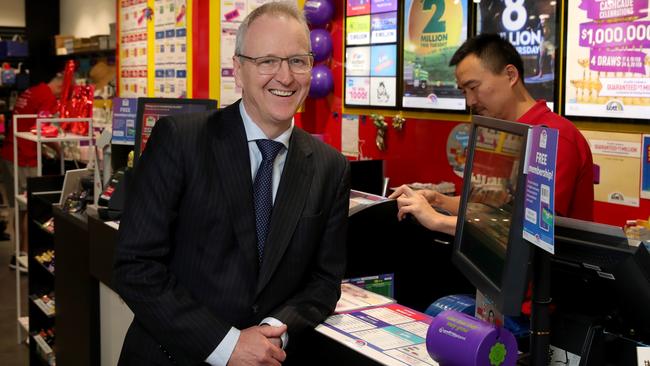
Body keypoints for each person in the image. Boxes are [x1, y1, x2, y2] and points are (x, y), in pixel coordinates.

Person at [112, 2, 350, 366]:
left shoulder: (329, 167)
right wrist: (227, 344)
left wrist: (275, 329)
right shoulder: (181, 140)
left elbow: (323, 280)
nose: (285, 77)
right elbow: (135, 265)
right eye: (267, 61)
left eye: (298, 61)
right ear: (238, 70)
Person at [390, 33, 594, 235]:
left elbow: (532, 228)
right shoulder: (497, 132)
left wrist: (438, 220)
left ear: (511, 76)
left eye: (473, 87)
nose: (470, 101)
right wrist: (437, 200)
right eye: (464, 91)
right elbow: (484, 207)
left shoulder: (553, 137)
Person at [1, 71, 64, 272]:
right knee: (30, 205)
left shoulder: (32, 91)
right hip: (24, 157)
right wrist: (58, 149)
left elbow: (31, 124)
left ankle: (19, 254)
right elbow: (44, 128)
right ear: (60, 86)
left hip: (11, 152)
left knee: (19, 206)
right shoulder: (46, 96)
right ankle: (25, 256)